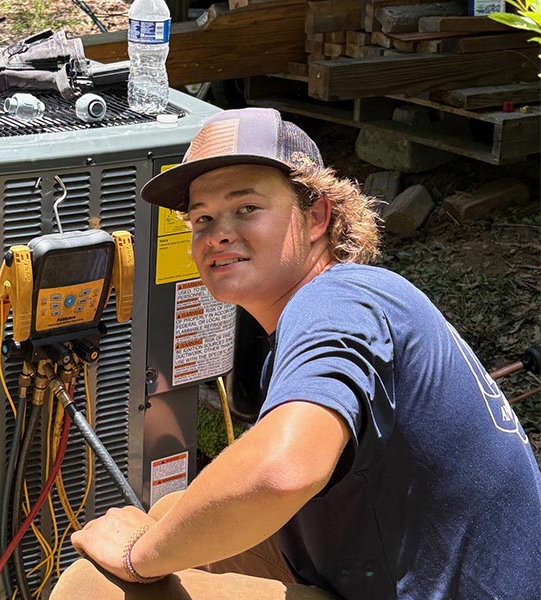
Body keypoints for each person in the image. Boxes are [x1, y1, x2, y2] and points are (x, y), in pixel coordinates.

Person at [50, 108, 541, 600]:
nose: (217, 233)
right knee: (170, 516)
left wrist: (139, 557)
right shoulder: (353, 300)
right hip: (381, 563)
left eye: (246, 208)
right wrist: (159, 536)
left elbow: (281, 471)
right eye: (202, 218)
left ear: (316, 216)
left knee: (95, 587)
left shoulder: (337, 302)